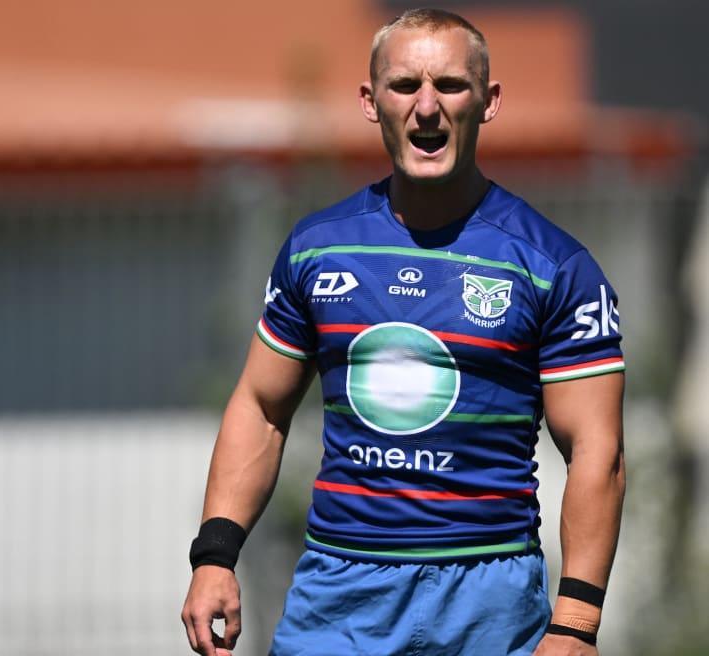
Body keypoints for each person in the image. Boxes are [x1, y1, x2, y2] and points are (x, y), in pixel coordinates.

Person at [181, 7, 625, 656]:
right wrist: (215, 555)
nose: (426, 108)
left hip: (490, 597)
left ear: (488, 101)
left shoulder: (554, 264)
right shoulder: (316, 249)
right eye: (403, 86)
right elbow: (262, 407)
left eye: (449, 86)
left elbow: (597, 451)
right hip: (340, 592)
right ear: (370, 101)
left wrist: (576, 623)